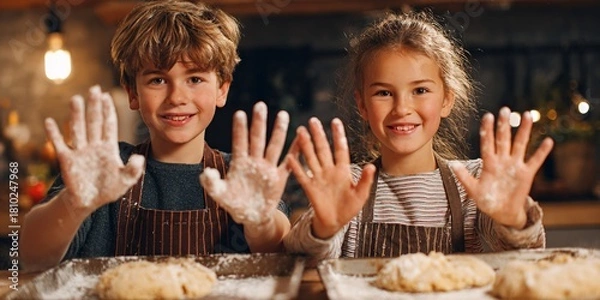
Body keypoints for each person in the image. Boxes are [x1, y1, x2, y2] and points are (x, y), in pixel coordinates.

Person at [21, 0, 292, 271]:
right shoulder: (104, 171)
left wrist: (261, 223)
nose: (177, 98)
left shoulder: (241, 175)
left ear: (222, 89)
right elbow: (29, 257)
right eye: (158, 80)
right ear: (132, 93)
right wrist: (73, 204)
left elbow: (281, 251)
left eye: (195, 79)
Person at [283, 11, 554, 260]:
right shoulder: (349, 185)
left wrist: (514, 220)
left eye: (420, 90)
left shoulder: (473, 183)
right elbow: (302, 257)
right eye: (384, 93)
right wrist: (323, 228)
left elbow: (523, 254)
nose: (402, 108)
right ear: (362, 105)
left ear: (447, 99)